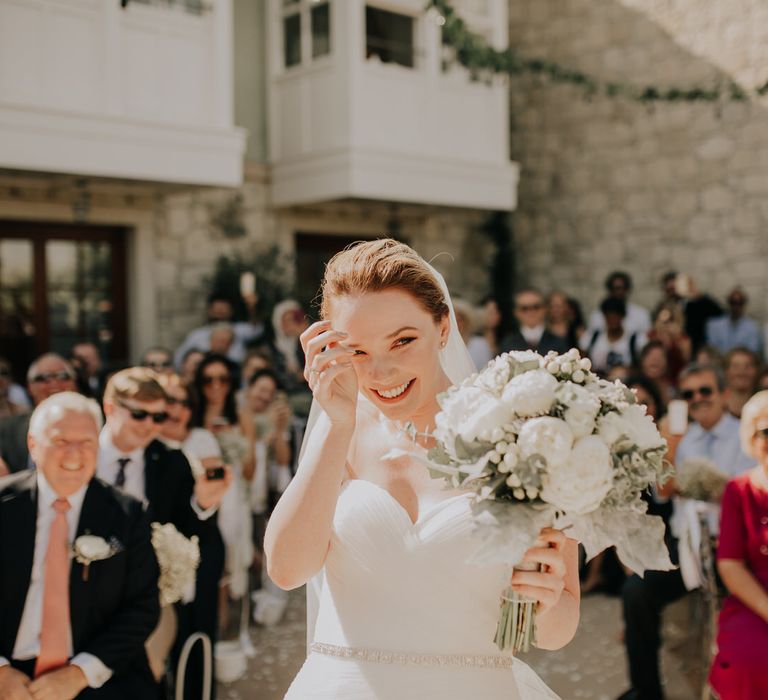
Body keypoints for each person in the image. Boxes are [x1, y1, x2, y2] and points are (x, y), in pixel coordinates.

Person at [265, 239, 578, 699]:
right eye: (357, 351)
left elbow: (554, 631)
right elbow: (288, 570)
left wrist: (548, 597)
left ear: (444, 327)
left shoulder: (519, 434)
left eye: (403, 341)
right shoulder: (337, 432)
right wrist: (336, 425)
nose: (382, 372)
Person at [0, 392, 161, 698]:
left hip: (94, 672)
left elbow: (142, 607)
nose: (75, 454)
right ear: (33, 445)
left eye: (86, 442)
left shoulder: (127, 514)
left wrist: (79, 674)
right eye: (61, 441)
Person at [618, 363, 755, 700]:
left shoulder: (746, 435)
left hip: (739, 546)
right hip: (689, 547)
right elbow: (663, 492)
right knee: (636, 592)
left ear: (723, 393)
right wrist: (671, 448)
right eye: (689, 394)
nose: (697, 399)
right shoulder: (681, 438)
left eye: (705, 391)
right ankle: (646, 690)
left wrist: (706, 486)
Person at [98, 367, 231, 699]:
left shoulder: (172, 460)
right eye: (139, 414)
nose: (149, 426)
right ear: (110, 408)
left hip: (146, 602)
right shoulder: (80, 453)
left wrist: (204, 504)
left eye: (158, 418)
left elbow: (191, 531)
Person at [157, 374, 231, 700]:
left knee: (198, 631)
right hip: (156, 550)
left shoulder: (201, 439)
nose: (178, 409)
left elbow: (214, 497)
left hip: (201, 545)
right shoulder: (145, 443)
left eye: (185, 402)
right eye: (170, 401)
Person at [708, 391, 768, 698]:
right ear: (751, 438)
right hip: (754, 599)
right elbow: (730, 563)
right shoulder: (739, 490)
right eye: (766, 431)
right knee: (750, 659)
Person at [0, 353, 78, 474]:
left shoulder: (96, 428)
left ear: (74, 384)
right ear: (29, 387)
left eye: (63, 376)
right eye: (43, 378)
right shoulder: (7, 430)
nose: (54, 383)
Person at [173, 294, 264, 369]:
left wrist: (252, 308)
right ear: (210, 311)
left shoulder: (239, 330)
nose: (220, 311)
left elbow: (256, 330)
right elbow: (179, 359)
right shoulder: (197, 335)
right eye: (217, 308)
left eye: (224, 308)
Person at [580, 299, 646, 376]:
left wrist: (627, 370)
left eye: (616, 316)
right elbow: (581, 361)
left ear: (622, 316)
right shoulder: (592, 337)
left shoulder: (636, 340)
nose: (613, 320)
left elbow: (643, 367)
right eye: (609, 316)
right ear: (604, 316)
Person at [501, 288, 569, 356]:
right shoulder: (508, 344)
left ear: (544, 309)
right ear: (516, 312)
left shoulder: (558, 343)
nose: (531, 312)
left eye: (536, 307)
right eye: (524, 308)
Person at [586, 271, 651, 338]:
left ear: (627, 289)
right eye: (613, 288)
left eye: (619, 288)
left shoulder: (641, 314)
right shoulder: (597, 316)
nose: (617, 292)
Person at [706, 288, 762, 356]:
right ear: (728, 303)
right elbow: (712, 351)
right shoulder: (714, 325)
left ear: (744, 304)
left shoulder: (752, 328)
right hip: (719, 364)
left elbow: (752, 352)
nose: (736, 306)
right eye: (733, 302)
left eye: (740, 303)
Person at [646, 302, 691, 385]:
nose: (666, 325)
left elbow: (686, 359)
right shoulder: (651, 335)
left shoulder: (682, 339)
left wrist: (675, 338)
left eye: (669, 320)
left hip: (677, 380)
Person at [452, 298, 493, 369]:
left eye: (460, 319)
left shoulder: (481, 344)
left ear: (467, 322)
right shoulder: (442, 345)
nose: (457, 323)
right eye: (453, 319)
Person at [723, 347, 760, 418]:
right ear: (726, 371)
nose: (741, 372)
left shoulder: (764, 408)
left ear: (757, 370)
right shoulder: (717, 409)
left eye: (748, 366)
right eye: (735, 366)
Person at [637, 340, 674, 409]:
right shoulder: (632, 388)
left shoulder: (672, 391)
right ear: (642, 360)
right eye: (650, 355)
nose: (655, 359)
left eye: (661, 356)